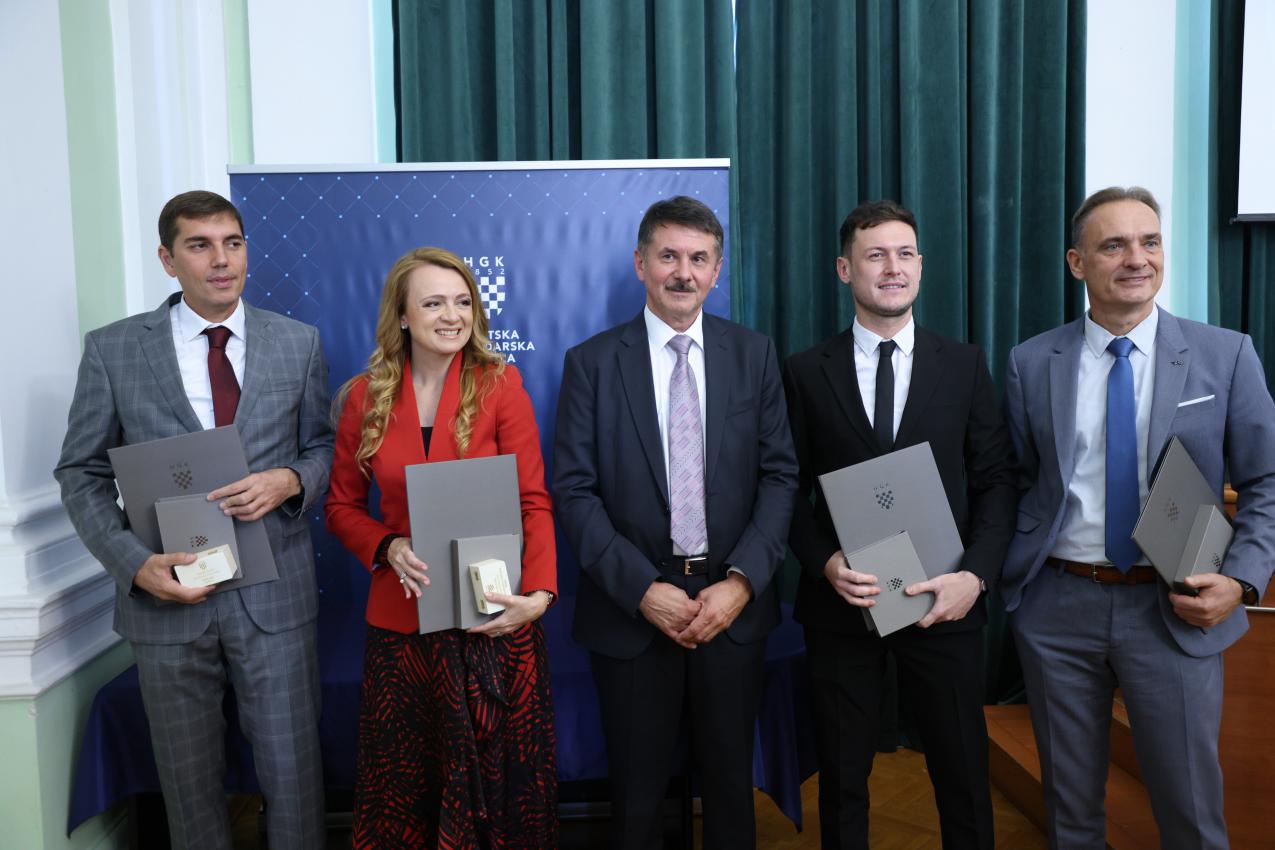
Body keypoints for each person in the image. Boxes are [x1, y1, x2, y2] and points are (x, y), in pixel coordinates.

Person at [54, 190, 333, 849]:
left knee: (294, 778)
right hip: (168, 598)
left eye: (232, 243)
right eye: (200, 246)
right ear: (167, 259)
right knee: (187, 788)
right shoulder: (114, 350)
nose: (221, 260)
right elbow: (80, 473)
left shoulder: (298, 343)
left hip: (274, 596)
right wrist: (133, 565)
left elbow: (324, 447)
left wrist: (291, 479)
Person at [1002, 186, 1275, 849]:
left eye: (1149, 241)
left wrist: (1241, 580)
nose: (1136, 258)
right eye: (1114, 245)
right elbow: (1015, 482)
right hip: (1057, 607)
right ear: (1076, 262)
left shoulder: (1225, 354)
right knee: (1070, 814)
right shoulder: (1030, 361)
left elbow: (1266, 480)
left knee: (1190, 813)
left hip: (1173, 606)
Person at [553, 195, 798, 849]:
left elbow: (780, 477)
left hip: (730, 610)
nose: (682, 273)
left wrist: (741, 584)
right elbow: (573, 492)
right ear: (640, 264)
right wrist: (642, 589)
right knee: (635, 802)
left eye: (698, 258)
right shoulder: (591, 363)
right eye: (668, 256)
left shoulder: (753, 355)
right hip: (630, 613)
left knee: (729, 795)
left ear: (716, 270)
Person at [782, 200, 1016, 849]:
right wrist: (824, 563)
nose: (893, 267)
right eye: (876, 255)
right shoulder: (804, 371)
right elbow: (783, 489)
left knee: (962, 772)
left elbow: (997, 481)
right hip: (843, 604)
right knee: (842, 778)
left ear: (920, 265)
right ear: (844, 269)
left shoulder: (963, 364)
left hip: (944, 600)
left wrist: (974, 577)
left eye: (905, 253)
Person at [325, 246, 558, 848]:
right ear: (402, 316)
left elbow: (533, 500)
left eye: (462, 302)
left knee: (502, 794)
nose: (452, 315)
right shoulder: (365, 397)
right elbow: (341, 507)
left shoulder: (500, 385)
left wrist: (538, 595)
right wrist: (387, 545)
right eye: (433, 303)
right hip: (404, 629)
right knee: (409, 792)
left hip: (496, 620)